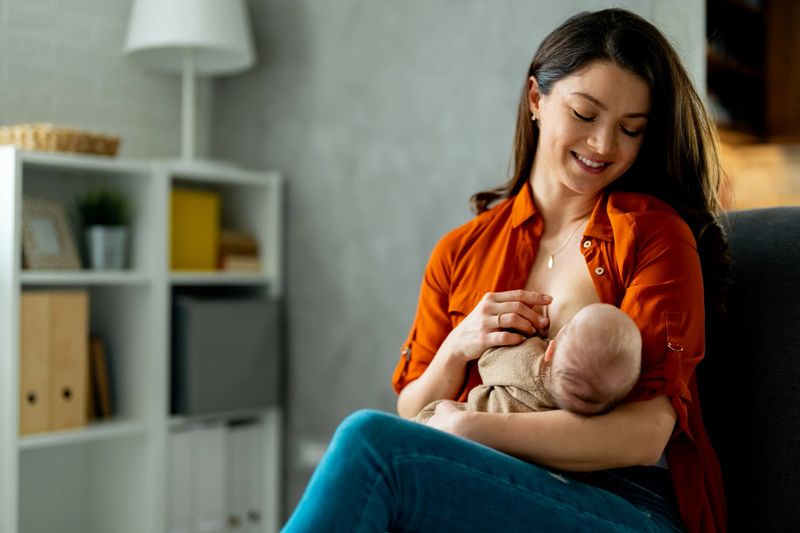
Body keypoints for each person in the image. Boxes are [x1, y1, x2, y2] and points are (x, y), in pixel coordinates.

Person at [282, 7, 729, 533]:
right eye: (585, 115)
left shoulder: (654, 235)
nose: (604, 146)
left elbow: (647, 433)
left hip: (626, 504)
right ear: (537, 99)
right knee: (380, 450)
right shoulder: (462, 250)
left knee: (372, 445)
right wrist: (458, 345)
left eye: (630, 130)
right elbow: (414, 409)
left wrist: (475, 428)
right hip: (500, 482)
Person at [414, 303, 642, 422]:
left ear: (551, 348)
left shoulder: (530, 363)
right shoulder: (571, 421)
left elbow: (489, 361)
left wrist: (526, 335)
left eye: (570, 326)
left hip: (447, 423)